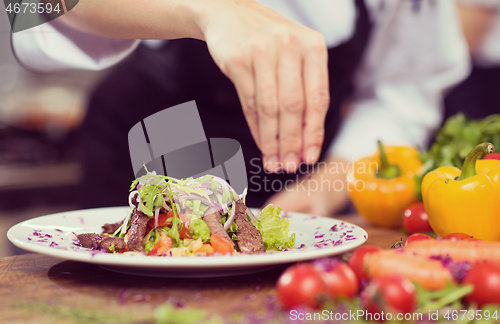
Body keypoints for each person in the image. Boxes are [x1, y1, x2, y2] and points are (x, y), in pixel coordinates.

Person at [12, 0, 469, 214]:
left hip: (294, 185)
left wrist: (326, 187)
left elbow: (402, 92)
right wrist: (207, 9)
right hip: (138, 163)